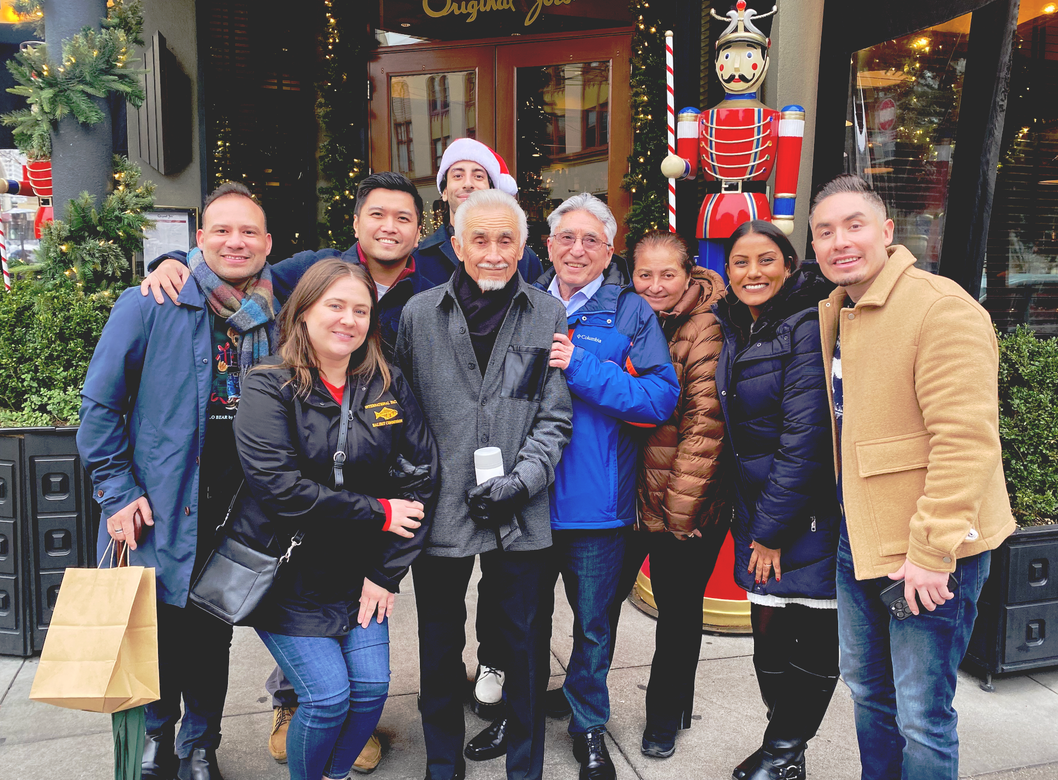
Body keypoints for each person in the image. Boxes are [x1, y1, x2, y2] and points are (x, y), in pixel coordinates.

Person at [810, 175, 1016, 780]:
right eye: (825, 231)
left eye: (855, 225)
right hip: (861, 542)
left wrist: (931, 552)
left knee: (922, 715)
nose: (840, 241)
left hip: (927, 553)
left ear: (888, 232)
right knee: (869, 693)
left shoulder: (940, 308)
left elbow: (966, 442)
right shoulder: (840, 309)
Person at [78, 182, 279, 780]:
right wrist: (117, 493)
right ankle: (156, 742)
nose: (235, 242)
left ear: (268, 244)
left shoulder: (280, 307)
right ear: (199, 239)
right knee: (157, 630)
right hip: (160, 502)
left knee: (210, 636)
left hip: (236, 503)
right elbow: (99, 408)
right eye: (222, 230)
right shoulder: (148, 303)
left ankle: (201, 746)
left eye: (249, 232)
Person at [475, 193, 678, 780]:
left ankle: (589, 724)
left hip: (596, 509)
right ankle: (521, 715)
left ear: (609, 251)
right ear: (548, 245)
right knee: (520, 624)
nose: (578, 249)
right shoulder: (519, 302)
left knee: (593, 629)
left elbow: (659, 400)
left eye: (592, 240)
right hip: (525, 503)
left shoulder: (629, 313)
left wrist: (581, 367)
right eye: (567, 237)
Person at [233, 258, 437, 780]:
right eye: (335, 306)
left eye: (361, 310)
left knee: (369, 691)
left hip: (360, 573)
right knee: (326, 699)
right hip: (285, 576)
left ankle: (337, 773)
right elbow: (283, 491)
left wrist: (386, 572)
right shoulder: (266, 386)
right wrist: (379, 512)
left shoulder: (386, 383)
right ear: (303, 312)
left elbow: (420, 481)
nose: (349, 319)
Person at [395, 188, 572, 780]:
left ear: (523, 247)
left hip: (521, 510)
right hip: (440, 508)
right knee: (440, 648)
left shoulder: (546, 312)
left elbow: (554, 414)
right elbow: (403, 411)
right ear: (457, 245)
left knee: (523, 649)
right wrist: (418, 482)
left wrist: (522, 482)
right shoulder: (420, 315)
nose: (494, 253)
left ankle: (526, 769)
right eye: (481, 240)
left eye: (506, 240)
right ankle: (442, 764)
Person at [711, 219, 840, 780]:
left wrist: (771, 530)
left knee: (807, 639)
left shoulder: (804, 325)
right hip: (756, 508)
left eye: (766, 260)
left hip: (800, 516)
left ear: (789, 266)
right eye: (740, 261)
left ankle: (783, 750)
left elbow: (805, 435)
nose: (752, 271)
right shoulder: (741, 324)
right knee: (767, 640)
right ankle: (787, 749)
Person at [608, 229, 729, 760]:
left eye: (667, 274)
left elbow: (705, 426)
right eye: (644, 273)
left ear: (688, 273)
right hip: (634, 493)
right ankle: (587, 692)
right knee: (603, 599)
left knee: (678, 612)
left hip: (687, 500)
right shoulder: (631, 317)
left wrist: (679, 511)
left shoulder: (704, 327)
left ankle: (664, 715)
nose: (655, 284)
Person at [413, 136, 543, 289]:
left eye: (478, 176)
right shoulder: (419, 259)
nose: (468, 184)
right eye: (458, 176)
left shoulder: (525, 259)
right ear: (445, 192)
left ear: (491, 188)